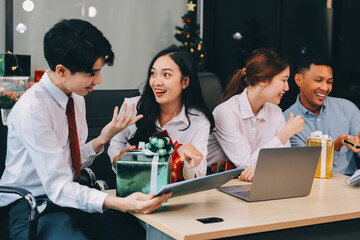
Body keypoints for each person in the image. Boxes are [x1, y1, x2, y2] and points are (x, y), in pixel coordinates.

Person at [0, 19, 170, 240]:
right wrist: (120, 203)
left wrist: (102, 139)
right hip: (31, 207)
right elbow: (58, 187)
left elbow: (69, 164)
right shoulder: (32, 110)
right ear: (61, 70)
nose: (98, 80)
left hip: (70, 198)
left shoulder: (75, 96)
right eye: (92, 73)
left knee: (131, 232)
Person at [108, 46, 215, 181]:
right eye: (153, 74)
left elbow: (199, 173)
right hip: (130, 185)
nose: (156, 82)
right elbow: (116, 143)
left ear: (185, 82)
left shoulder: (199, 120)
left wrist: (190, 159)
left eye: (166, 75)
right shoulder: (132, 106)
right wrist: (117, 160)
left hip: (173, 192)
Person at [207, 48, 304, 182]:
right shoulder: (225, 113)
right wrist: (284, 134)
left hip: (257, 185)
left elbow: (283, 163)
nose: (287, 87)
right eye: (283, 80)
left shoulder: (275, 112)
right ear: (263, 80)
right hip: (220, 187)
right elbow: (246, 165)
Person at [284, 55, 360, 175]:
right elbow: (306, 165)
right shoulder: (287, 120)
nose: (325, 88)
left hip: (349, 184)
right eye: (318, 80)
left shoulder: (347, 108)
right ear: (299, 80)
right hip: (311, 185)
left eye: (329, 82)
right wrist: (335, 145)